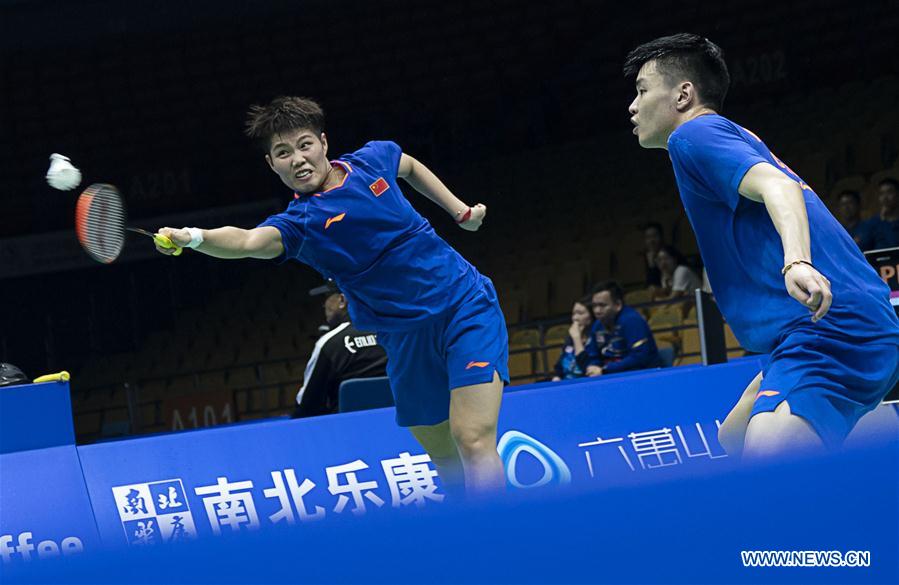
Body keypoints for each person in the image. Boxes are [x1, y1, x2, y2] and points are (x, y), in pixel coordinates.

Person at [155, 97, 509, 497]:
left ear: (324, 142)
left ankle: (503, 543)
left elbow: (407, 164)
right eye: (283, 153)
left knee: (473, 437)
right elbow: (247, 241)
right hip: (404, 338)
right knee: (443, 455)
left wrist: (459, 210)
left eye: (304, 144)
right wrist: (193, 238)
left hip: (465, 306)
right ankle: (474, 533)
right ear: (272, 164)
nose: (298, 159)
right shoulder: (300, 224)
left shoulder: (371, 161)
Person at [623, 33, 899, 459]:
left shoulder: (693, 135)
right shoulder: (733, 134)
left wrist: (797, 264)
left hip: (827, 328)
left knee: (765, 459)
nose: (633, 105)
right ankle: (871, 436)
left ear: (683, 94)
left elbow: (779, 185)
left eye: (642, 91)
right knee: (731, 438)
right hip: (824, 327)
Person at [293, 283, 388, 418]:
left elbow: (308, 405)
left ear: (342, 301)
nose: (324, 306)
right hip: (402, 427)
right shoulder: (392, 334)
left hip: (348, 430)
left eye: (327, 297)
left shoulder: (330, 344)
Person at [584, 281, 661, 376]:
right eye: (594, 306)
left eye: (602, 305)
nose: (597, 311)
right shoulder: (597, 325)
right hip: (610, 376)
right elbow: (592, 355)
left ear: (618, 305)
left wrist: (605, 370)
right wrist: (593, 367)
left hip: (642, 376)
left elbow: (639, 357)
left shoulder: (632, 320)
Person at [551, 297, 594, 381]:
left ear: (592, 316)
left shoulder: (595, 339)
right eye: (573, 314)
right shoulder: (570, 339)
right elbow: (560, 366)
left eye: (580, 313)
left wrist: (577, 339)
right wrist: (557, 377)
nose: (575, 318)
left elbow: (588, 370)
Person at [857, 177, 899, 250]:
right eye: (882, 193)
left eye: (889, 192)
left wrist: (884, 222)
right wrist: (882, 219)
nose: (885, 197)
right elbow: (862, 247)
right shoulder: (873, 222)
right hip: (877, 260)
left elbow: (893, 245)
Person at [642, 222, 665, 287]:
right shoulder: (648, 257)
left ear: (662, 236)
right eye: (648, 237)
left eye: (655, 236)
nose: (652, 240)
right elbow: (650, 286)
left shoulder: (671, 255)